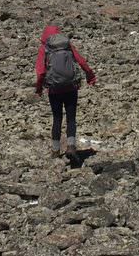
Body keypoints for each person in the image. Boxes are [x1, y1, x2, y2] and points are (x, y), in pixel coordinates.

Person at [34, 25, 96, 159]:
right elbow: (81, 61)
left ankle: (55, 151)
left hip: (54, 90)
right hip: (71, 87)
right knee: (71, 118)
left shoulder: (45, 48)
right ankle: (71, 146)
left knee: (57, 118)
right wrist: (90, 76)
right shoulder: (67, 45)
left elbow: (41, 72)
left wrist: (39, 88)